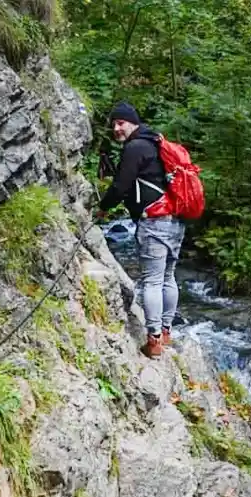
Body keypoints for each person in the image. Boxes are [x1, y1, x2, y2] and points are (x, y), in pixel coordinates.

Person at [96, 102, 185, 359]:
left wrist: (103, 208)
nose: (116, 128)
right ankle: (166, 332)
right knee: (168, 277)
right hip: (175, 220)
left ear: (132, 122)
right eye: (113, 124)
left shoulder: (135, 148)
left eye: (121, 123)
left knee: (153, 281)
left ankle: (154, 340)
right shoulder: (155, 142)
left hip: (154, 221)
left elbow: (121, 185)